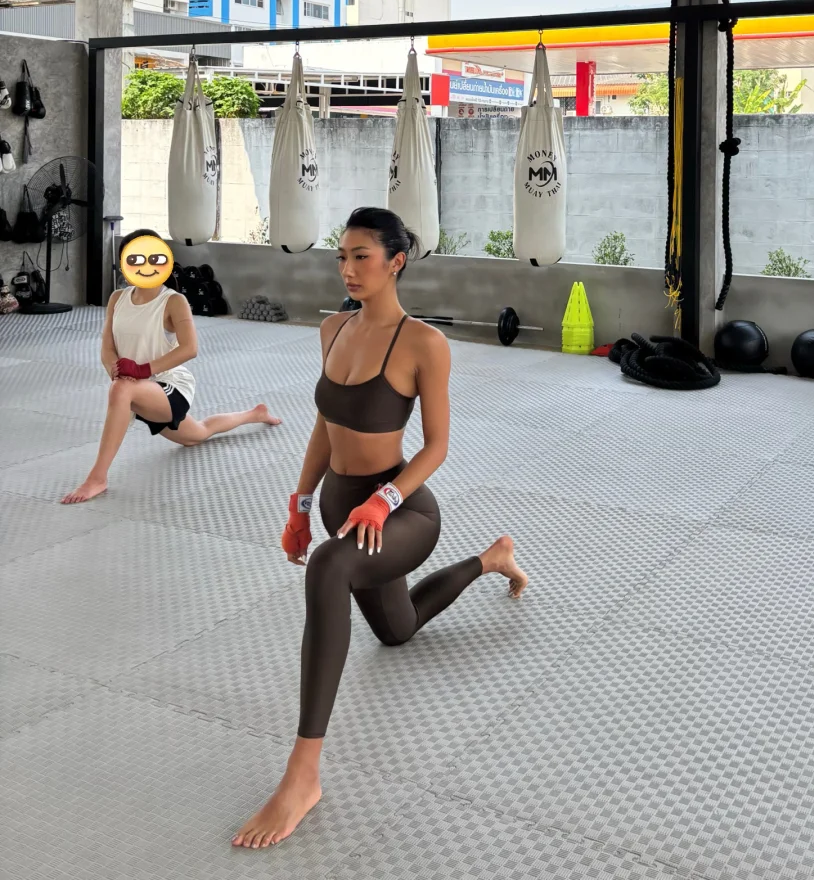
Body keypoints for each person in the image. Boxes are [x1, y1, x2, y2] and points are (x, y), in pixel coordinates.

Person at [233, 206, 527, 850]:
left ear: (396, 261)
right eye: (341, 256)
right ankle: (491, 558)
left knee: (328, 567)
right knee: (397, 631)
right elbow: (325, 424)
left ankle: (302, 776)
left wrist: (384, 501)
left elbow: (437, 445)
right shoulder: (333, 327)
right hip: (342, 508)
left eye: (361, 256)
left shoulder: (423, 343)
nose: (348, 268)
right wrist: (300, 505)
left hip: (401, 513)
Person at [61, 229, 280, 504]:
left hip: (169, 386)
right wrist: (114, 368)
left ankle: (97, 478)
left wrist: (140, 371)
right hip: (136, 388)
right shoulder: (117, 298)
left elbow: (190, 348)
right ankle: (254, 414)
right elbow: (107, 346)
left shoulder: (174, 301)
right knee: (197, 434)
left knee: (120, 390)